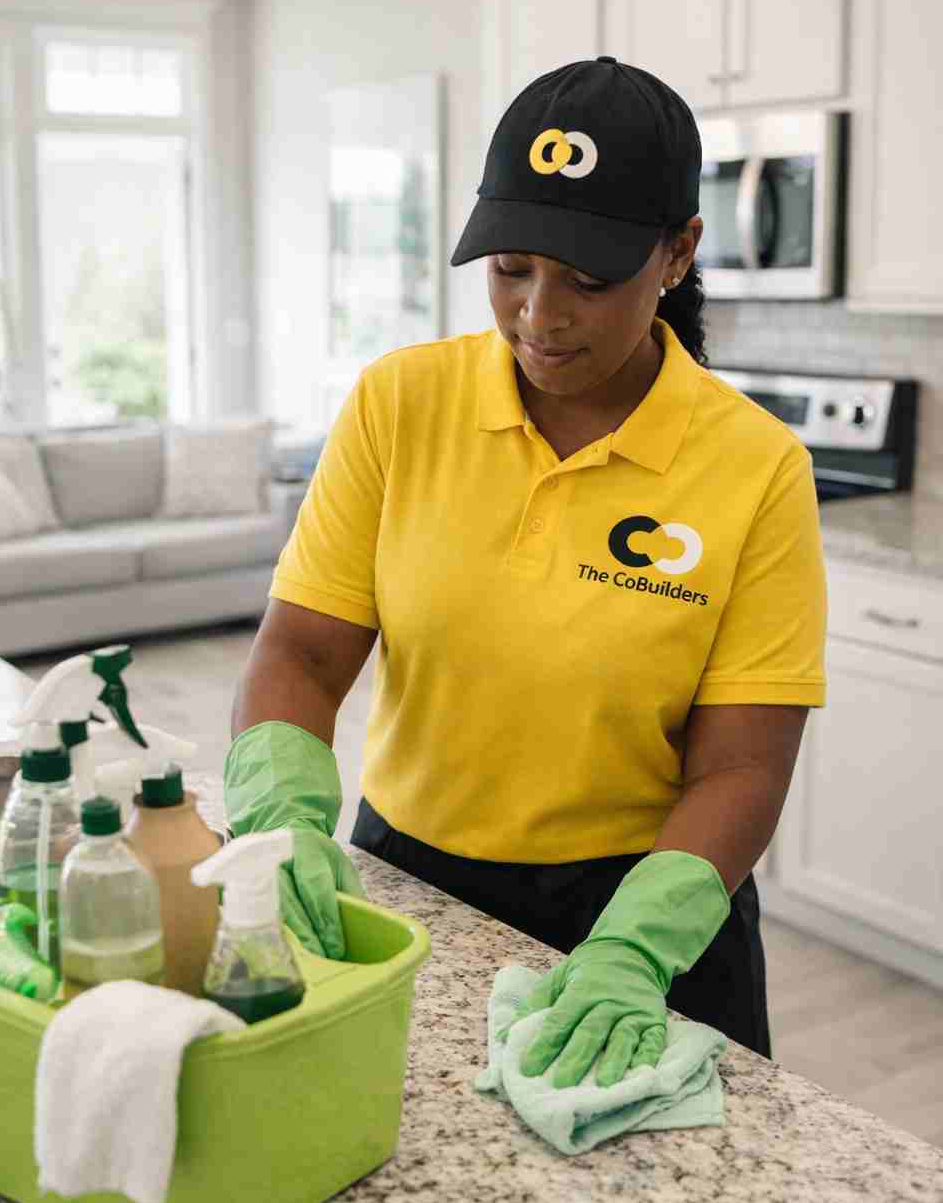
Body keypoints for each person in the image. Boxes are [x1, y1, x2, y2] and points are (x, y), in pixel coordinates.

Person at [225, 57, 826, 1086]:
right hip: (410, 877)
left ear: (676, 251)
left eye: (588, 281)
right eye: (511, 268)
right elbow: (305, 653)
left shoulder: (755, 465)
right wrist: (278, 817)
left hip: (650, 910)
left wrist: (635, 948)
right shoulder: (399, 402)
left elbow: (739, 768)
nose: (539, 318)